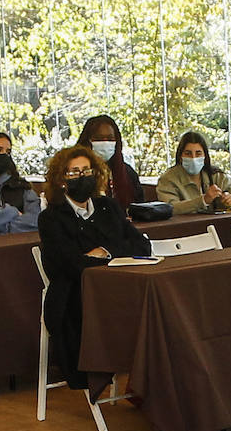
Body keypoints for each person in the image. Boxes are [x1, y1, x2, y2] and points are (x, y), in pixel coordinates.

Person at [37, 145, 151, 390]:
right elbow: (68, 265)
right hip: (75, 296)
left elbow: (141, 246)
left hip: (118, 288)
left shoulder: (108, 207)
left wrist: (105, 251)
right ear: (61, 180)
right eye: (73, 172)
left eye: (86, 171)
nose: (82, 177)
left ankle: (145, 377)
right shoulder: (52, 218)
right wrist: (115, 250)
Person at [156, 131, 231, 215]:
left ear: (205, 156)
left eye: (198, 153)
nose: (193, 158)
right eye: (188, 153)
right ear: (180, 156)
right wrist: (203, 200)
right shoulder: (168, 179)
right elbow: (170, 208)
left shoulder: (216, 175)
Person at [76, 115, 145, 208]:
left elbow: (140, 206)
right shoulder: (75, 174)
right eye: (99, 139)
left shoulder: (128, 173)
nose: (105, 143)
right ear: (88, 141)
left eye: (110, 139)